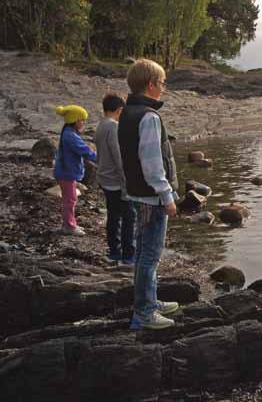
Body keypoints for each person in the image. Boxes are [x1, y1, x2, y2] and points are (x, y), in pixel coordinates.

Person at [118, 59, 180, 330]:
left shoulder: (127, 113)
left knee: (144, 252)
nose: (164, 88)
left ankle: (150, 301)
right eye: (162, 83)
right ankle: (144, 310)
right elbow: (152, 163)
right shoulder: (149, 117)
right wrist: (167, 196)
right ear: (151, 84)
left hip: (136, 194)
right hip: (151, 198)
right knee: (149, 256)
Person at [95, 92, 136, 265]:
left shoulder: (101, 125)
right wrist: (127, 181)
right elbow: (119, 157)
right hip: (116, 181)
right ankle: (128, 254)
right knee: (129, 216)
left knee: (113, 215)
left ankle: (114, 251)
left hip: (104, 177)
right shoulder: (113, 126)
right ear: (119, 110)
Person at [53, 105, 97, 236]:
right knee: (70, 200)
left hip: (66, 172)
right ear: (75, 121)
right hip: (66, 173)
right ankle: (69, 226)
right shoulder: (70, 136)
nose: (84, 123)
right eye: (82, 120)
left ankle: (69, 223)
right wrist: (100, 159)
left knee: (69, 199)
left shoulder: (69, 133)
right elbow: (85, 151)